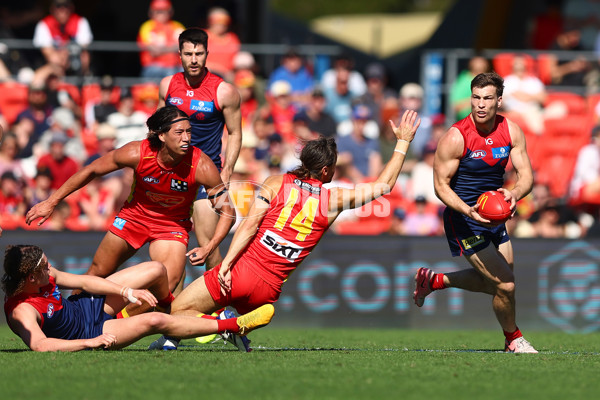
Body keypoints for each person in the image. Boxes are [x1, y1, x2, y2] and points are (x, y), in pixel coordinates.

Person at [148, 109, 421, 351]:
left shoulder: (276, 182)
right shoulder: (333, 200)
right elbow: (384, 186)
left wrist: (225, 265)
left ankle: (225, 324)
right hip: (269, 290)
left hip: (242, 273)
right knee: (180, 321)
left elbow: (249, 225)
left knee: (175, 312)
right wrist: (403, 141)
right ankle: (204, 334)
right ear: (326, 171)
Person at [25, 107, 236, 306]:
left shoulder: (201, 165)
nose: (187, 138)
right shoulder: (137, 152)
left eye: (189, 132)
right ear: (161, 135)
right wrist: (51, 202)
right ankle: (67, 315)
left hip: (171, 226)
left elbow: (228, 211)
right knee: (97, 272)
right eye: (179, 132)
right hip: (134, 218)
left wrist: (209, 247)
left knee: (167, 287)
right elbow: (91, 170)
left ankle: (114, 324)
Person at [416, 72, 538, 353]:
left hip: (495, 216)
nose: (480, 105)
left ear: (499, 100)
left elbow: (526, 176)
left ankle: (435, 280)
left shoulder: (511, 130)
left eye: (487, 98)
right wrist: (468, 211)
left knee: (499, 282)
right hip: (464, 219)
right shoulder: (456, 137)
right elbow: (440, 187)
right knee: (505, 285)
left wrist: (515, 193)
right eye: (475, 98)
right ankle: (514, 340)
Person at [2, 244, 274, 352]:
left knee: (156, 270)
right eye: (45, 268)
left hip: (88, 306)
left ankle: (175, 315)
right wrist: (90, 342)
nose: (51, 270)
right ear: (30, 278)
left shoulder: (43, 275)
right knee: (155, 320)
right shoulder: (21, 311)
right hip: (91, 330)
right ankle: (234, 327)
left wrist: (126, 292)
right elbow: (40, 345)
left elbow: (84, 281)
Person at [157, 27, 242, 272]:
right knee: (171, 250)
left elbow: (235, 133)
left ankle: (218, 306)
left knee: (208, 244)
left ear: (207, 54)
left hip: (206, 176)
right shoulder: (167, 85)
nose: (194, 60)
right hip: (172, 176)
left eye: (199, 53)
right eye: (188, 54)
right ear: (179, 55)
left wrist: (226, 172)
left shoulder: (223, 91)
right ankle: (173, 306)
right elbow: (156, 131)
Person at [32, 0, 93, 76]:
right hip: (55, 68)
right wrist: (62, 56)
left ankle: (84, 81)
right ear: (52, 8)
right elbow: (50, 55)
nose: (62, 9)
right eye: (58, 6)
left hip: (76, 63)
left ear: (71, 7)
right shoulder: (44, 24)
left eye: (66, 5)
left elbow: (84, 49)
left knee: (84, 57)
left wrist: (67, 52)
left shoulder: (80, 21)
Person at [137, 0, 185, 80]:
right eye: (158, 11)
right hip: (154, 67)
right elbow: (153, 51)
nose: (161, 14)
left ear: (170, 12)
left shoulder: (177, 26)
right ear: (151, 12)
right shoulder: (147, 27)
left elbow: (184, 47)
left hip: (176, 66)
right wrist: (173, 48)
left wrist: (162, 50)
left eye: (164, 11)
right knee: (170, 73)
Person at [203, 7, 241, 82]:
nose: (221, 24)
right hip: (207, 74)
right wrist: (221, 71)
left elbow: (237, 59)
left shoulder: (233, 38)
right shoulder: (202, 36)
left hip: (229, 76)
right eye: (217, 20)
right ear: (210, 21)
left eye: (225, 20)